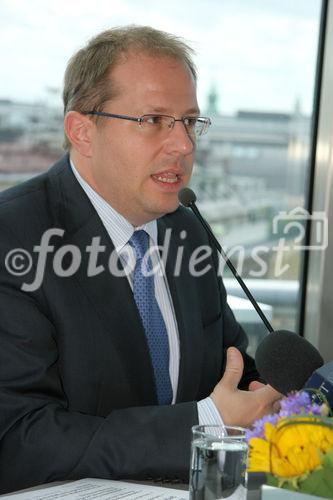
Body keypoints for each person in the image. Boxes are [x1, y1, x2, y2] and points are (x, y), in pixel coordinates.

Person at [0, 26, 281, 494]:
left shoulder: (187, 229)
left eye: (190, 121)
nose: (184, 145)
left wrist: (268, 399)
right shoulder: (14, 238)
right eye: (154, 120)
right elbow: (19, 440)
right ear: (82, 131)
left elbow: (226, 372)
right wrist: (205, 422)